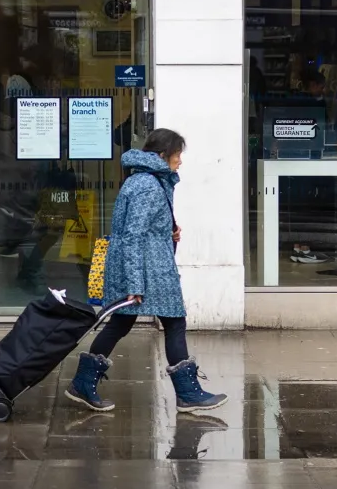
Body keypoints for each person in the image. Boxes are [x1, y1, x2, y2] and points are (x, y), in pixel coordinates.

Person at [64, 128, 227, 414]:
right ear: (163, 155)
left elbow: (143, 229)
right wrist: (135, 284)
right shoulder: (147, 185)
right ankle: (188, 394)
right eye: (177, 154)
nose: (180, 161)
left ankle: (83, 382)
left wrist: (168, 232)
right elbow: (133, 236)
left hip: (150, 265)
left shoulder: (146, 180)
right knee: (174, 323)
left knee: (121, 324)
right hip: (149, 271)